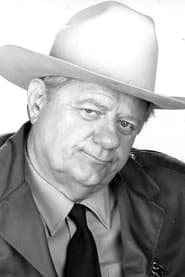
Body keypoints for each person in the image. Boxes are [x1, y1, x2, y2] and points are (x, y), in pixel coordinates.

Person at [0, 1, 185, 277]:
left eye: (126, 123)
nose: (110, 140)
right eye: (90, 111)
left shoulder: (178, 194)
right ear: (38, 101)